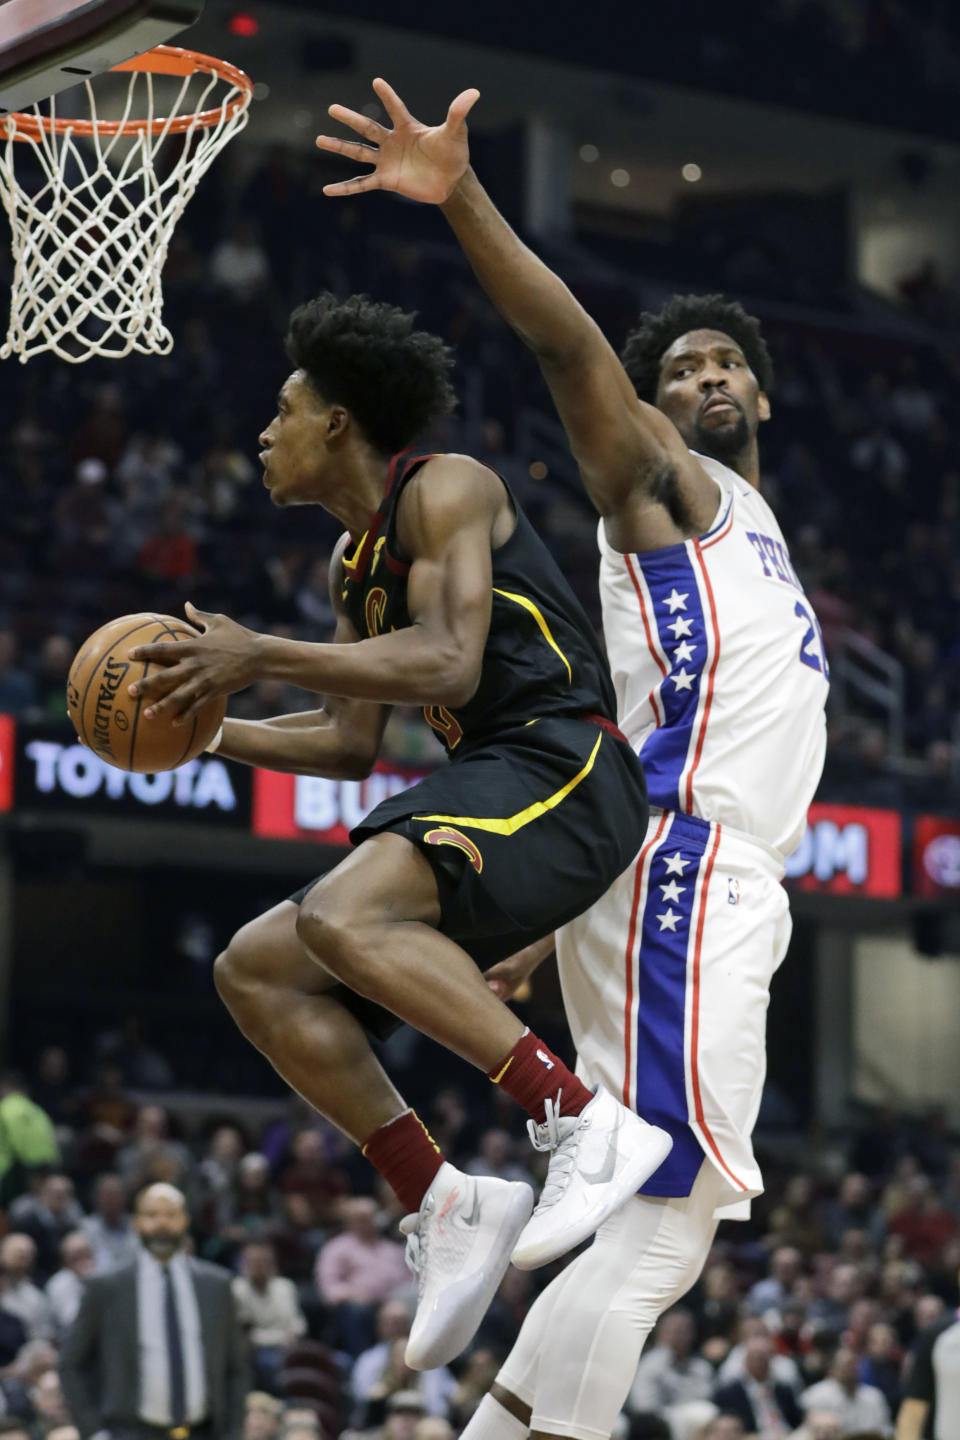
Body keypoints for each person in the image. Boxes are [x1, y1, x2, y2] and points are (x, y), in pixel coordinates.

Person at [315, 78, 828, 1440]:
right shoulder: (666, 491)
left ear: (762, 390)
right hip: (693, 867)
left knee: (659, 1222)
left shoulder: (757, 529)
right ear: (650, 418)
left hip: (687, 874)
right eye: (677, 376)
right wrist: (465, 197)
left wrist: (567, 918)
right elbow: (571, 355)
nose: (701, 383)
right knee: (668, 1220)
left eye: (723, 363)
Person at [125, 291, 670, 1369]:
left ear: (337, 422)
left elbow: (447, 664)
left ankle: (577, 1117)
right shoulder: (351, 566)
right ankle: (443, 1197)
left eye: (282, 411)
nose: (264, 436)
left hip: (568, 765)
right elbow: (344, 743)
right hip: (496, 786)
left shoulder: (449, 486)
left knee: (340, 913)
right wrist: (204, 731)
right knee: (258, 970)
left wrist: (259, 652)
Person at [60, 1182, 248, 1440]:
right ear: (136, 1222)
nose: (162, 1224)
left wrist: (233, 1432)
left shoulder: (217, 1285)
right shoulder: (106, 1286)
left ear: (185, 1221)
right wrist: (93, 1432)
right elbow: (71, 1364)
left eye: (171, 1215)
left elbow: (237, 1367)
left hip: (204, 1432)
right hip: (129, 1431)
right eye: (151, 1215)